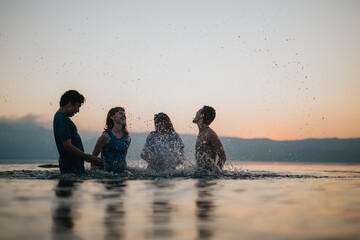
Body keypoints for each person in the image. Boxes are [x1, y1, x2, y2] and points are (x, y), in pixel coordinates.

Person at [53, 90, 103, 174]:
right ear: (69, 104)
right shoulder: (62, 119)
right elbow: (67, 145)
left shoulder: (61, 118)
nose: (78, 110)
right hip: (71, 167)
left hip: (73, 165)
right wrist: (89, 158)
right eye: (77, 106)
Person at [92, 107, 131, 173]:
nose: (124, 115)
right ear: (112, 117)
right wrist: (92, 172)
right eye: (120, 113)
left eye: (124, 114)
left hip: (121, 175)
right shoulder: (106, 136)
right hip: (106, 175)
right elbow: (93, 157)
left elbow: (123, 159)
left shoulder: (127, 138)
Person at [193, 106, 226, 171]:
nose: (196, 112)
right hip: (202, 175)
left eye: (198, 111)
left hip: (208, 177)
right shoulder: (202, 133)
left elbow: (222, 156)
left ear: (202, 115)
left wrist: (216, 173)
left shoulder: (210, 134)